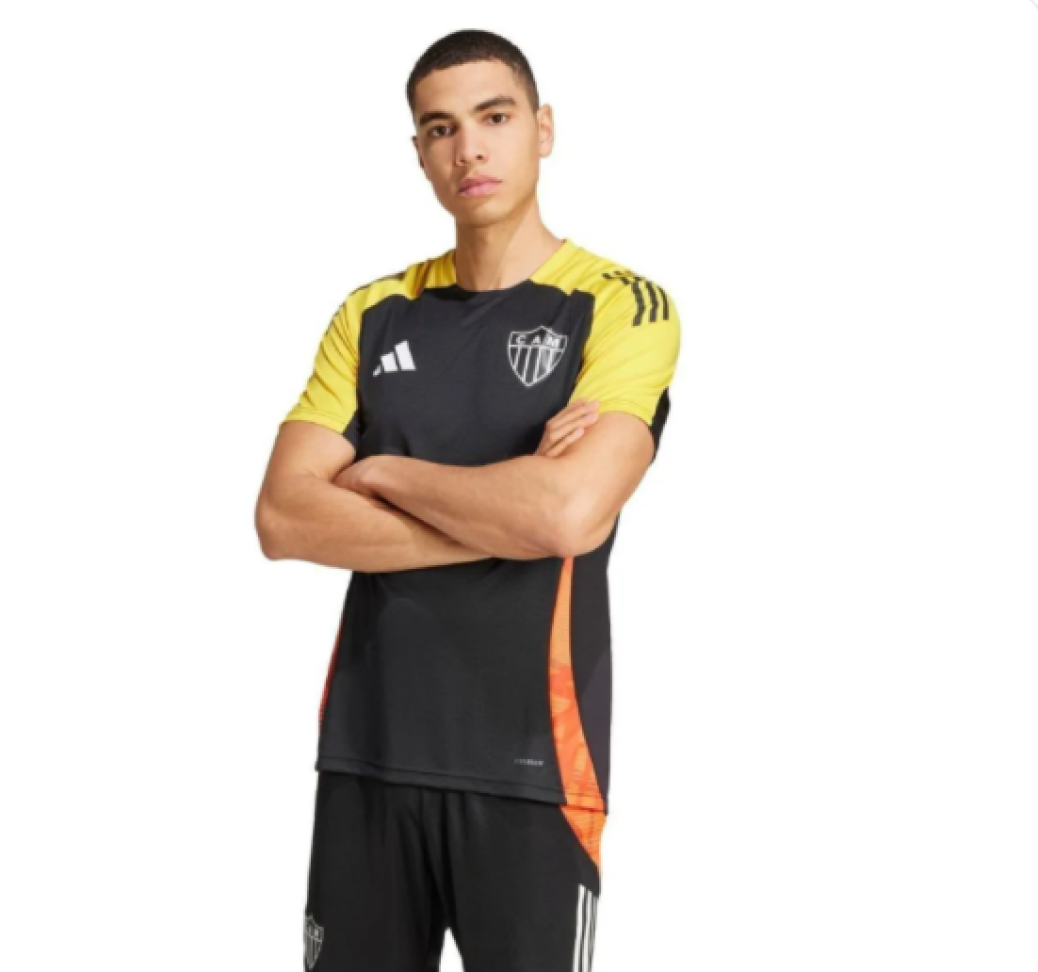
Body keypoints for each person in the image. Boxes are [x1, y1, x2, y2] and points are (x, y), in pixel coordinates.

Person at [255, 28, 682, 972]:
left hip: (535, 766)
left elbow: (568, 514)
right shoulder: (374, 314)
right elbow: (283, 518)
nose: (469, 149)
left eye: (494, 117)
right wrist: (510, 510)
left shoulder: (619, 305)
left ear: (544, 128)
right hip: (368, 754)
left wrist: (383, 472)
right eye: (441, 128)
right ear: (418, 152)